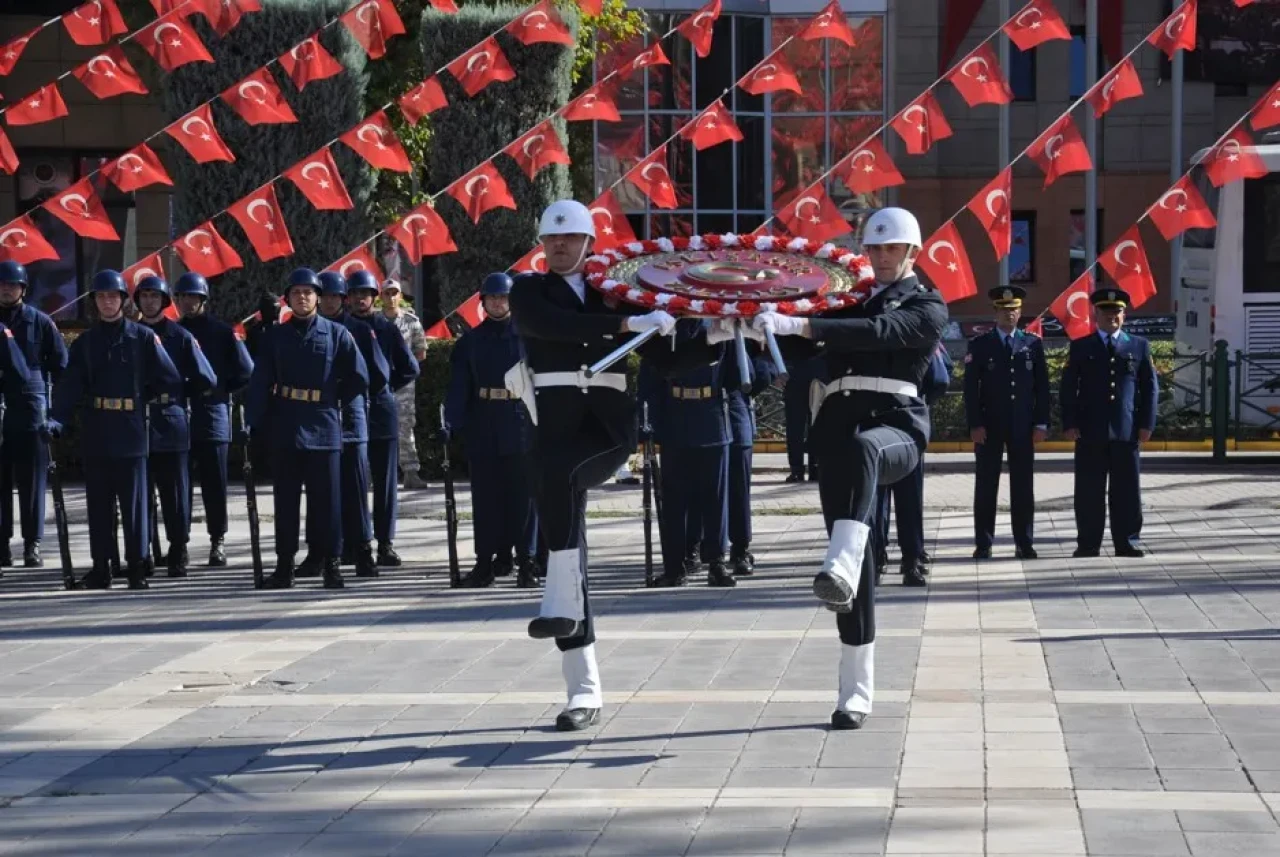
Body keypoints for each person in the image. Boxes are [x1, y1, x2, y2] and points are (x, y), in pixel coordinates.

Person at [509, 199, 713, 731]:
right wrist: (625, 320)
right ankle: (584, 691)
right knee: (565, 532)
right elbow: (549, 325)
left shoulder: (612, 290)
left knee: (559, 491)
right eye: (552, 239)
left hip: (604, 430)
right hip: (552, 430)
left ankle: (556, 596)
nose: (559, 247)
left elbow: (666, 359)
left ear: (589, 243)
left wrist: (715, 333)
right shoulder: (529, 290)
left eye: (570, 239)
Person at [752, 207, 948, 730]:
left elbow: (881, 331)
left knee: (866, 452)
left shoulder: (928, 304)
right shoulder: (845, 300)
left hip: (896, 429)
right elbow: (804, 345)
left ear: (913, 253)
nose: (882, 257)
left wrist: (803, 321)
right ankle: (853, 694)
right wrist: (760, 319)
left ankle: (838, 559)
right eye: (875, 249)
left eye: (892, 249)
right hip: (836, 431)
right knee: (854, 580)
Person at [47, 270, 181, 590]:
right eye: (101, 297)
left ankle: (136, 565)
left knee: (134, 503)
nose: (107, 302)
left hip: (131, 430)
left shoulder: (143, 337)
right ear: (95, 302)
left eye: (113, 296)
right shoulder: (86, 343)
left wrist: (140, 398)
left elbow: (169, 377)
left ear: (123, 300)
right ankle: (101, 566)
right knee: (99, 503)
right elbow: (70, 387)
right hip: (97, 428)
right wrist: (57, 418)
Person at [243, 268, 369, 590]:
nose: (303, 297)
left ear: (317, 296)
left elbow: (358, 377)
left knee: (327, 502)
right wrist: (254, 423)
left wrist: (331, 398)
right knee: (285, 501)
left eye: (308, 292)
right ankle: (285, 565)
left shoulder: (337, 334)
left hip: (324, 425)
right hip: (286, 424)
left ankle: (332, 564)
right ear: (288, 299)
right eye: (296, 292)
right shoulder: (275, 336)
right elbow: (260, 382)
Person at [444, 272, 539, 590]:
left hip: (520, 422)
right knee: (486, 500)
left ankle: (527, 561)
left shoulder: (529, 336)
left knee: (522, 499)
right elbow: (460, 386)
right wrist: (452, 423)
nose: (498, 303)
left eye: (503, 297)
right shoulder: (471, 341)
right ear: (482, 302)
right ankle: (485, 562)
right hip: (484, 423)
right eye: (492, 298)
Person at [1060, 288, 1157, 559]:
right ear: (1096, 314)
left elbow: (1150, 389)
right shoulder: (1081, 346)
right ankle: (1088, 543)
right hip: (1090, 430)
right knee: (1089, 490)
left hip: (1127, 430)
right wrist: (1069, 422)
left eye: (1117, 312)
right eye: (1106, 312)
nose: (1111, 317)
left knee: (1126, 490)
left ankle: (1127, 541)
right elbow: (1069, 389)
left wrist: (1147, 423)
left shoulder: (1139, 346)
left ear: (1124, 315)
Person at [307, 271, 389, 579]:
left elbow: (378, 375)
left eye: (333, 297)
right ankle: (320, 552)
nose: (328, 302)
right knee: (319, 492)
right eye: (323, 296)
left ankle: (364, 552)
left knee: (354, 490)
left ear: (342, 300)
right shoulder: (311, 330)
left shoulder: (357, 329)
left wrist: (346, 389)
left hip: (350, 418)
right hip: (318, 422)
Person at [135, 276, 218, 577]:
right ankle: (142, 551)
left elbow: (207, 378)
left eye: (154, 296)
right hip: (137, 420)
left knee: (175, 493)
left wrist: (181, 390)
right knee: (139, 494)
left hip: (170, 419)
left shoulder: (180, 336)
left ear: (164, 301)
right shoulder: (131, 333)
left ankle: (177, 549)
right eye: (144, 296)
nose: (149, 301)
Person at [963, 286, 1049, 560]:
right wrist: (975, 424)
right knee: (986, 486)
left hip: (1023, 426)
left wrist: (1042, 423)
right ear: (995, 312)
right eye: (1004, 310)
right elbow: (970, 389)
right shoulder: (980, 345)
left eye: (1014, 310)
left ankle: (1024, 542)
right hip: (989, 426)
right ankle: (984, 543)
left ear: (1021, 312)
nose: (1009, 314)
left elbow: (1042, 388)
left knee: (1023, 487)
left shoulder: (1032, 344)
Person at [175, 272, 254, 568]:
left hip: (211, 415)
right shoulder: (172, 331)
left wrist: (221, 389)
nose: (187, 302)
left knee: (214, 484)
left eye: (192, 297)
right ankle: (178, 543)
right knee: (179, 486)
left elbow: (246, 370)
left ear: (203, 299)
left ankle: (217, 540)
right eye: (182, 297)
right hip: (180, 416)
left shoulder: (221, 332)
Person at [639, 350, 735, 588]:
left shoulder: (721, 324)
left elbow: (741, 374)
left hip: (712, 416)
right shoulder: (670, 328)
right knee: (673, 500)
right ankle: (674, 566)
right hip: (676, 416)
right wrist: (647, 420)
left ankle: (716, 563)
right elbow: (650, 375)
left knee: (715, 498)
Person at [346, 271, 419, 567]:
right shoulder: (341, 327)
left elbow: (409, 367)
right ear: (347, 297)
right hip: (350, 410)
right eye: (355, 293)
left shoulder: (386, 328)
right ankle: (355, 542)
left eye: (366, 293)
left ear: (374, 297)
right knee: (353, 481)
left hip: (381, 409)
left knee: (386, 481)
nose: (361, 298)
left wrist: (386, 388)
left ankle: (385, 543)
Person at [0, 260, 67, 570]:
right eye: (2, 284)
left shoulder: (39, 322)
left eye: (12, 284)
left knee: (32, 480)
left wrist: (53, 411)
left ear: (23, 288)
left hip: (29, 407)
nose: (6, 288)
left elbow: (61, 365)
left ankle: (32, 544)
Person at [873, 342, 952, 586]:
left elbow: (940, 375)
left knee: (876, 498)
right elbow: (940, 379)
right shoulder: (918, 334)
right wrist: (920, 404)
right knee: (909, 499)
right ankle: (910, 560)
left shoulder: (867, 332)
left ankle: (876, 558)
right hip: (908, 422)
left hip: (873, 420)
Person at [721, 340, 775, 577]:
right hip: (726, 407)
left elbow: (764, 370)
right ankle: (730, 550)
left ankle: (739, 548)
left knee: (737, 486)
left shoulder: (746, 315)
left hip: (734, 407)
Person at [380, 279, 429, 490]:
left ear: (400, 296)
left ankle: (410, 472)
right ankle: (373, 473)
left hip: (404, 385)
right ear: (380, 297)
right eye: (387, 293)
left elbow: (421, 352)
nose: (391, 297)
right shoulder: (374, 321)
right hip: (379, 382)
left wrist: (406, 370)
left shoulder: (411, 322)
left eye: (394, 293)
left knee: (406, 426)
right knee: (376, 426)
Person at [782, 355, 822, 482]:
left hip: (817, 370)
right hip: (795, 370)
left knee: (817, 423)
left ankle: (814, 468)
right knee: (795, 426)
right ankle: (796, 469)